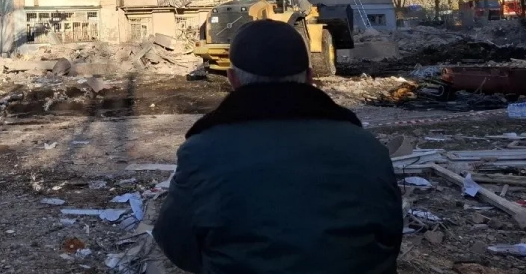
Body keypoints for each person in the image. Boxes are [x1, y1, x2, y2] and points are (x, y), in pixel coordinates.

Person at [153, 19, 402, 274]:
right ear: (309, 77)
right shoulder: (366, 148)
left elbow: (176, 243)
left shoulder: (201, 153)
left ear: (233, 79)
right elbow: (390, 235)